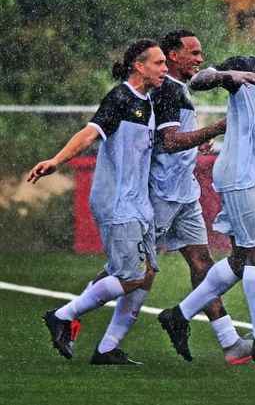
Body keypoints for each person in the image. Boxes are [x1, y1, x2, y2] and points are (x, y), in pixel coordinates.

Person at [156, 16, 255, 365]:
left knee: (243, 259)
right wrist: (230, 76)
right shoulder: (244, 65)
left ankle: (179, 315)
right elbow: (198, 81)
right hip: (241, 174)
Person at [29, 39, 167, 365]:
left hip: (138, 202)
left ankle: (107, 349)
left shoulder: (148, 103)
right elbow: (90, 133)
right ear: (139, 66)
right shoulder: (120, 97)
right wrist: (56, 160)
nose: (164, 69)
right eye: (158, 63)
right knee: (131, 276)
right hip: (117, 201)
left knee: (145, 274)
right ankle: (62, 315)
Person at [150, 29, 252, 364]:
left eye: (200, 52)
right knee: (133, 273)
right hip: (159, 194)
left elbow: (176, 137)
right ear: (173, 56)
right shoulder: (166, 89)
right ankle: (70, 316)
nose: (199, 58)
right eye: (193, 53)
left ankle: (231, 343)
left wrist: (199, 140)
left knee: (202, 264)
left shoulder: (178, 90)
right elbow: (168, 142)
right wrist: (216, 128)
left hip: (184, 193)